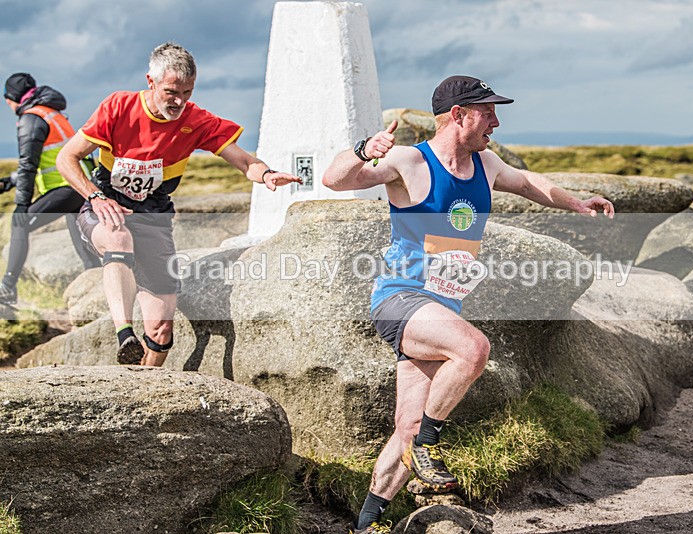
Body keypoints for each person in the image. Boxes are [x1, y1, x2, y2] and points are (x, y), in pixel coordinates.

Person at [322, 75, 615, 532]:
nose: (496, 121)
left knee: (406, 426)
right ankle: (430, 444)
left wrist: (577, 203)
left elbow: (529, 183)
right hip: (400, 298)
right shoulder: (409, 161)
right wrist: (364, 150)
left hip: (440, 310)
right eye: (488, 112)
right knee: (473, 349)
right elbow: (335, 180)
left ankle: (367, 523)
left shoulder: (486, 164)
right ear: (458, 115)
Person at [56, 42, 301, 366]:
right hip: (106, 207)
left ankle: (143, 393)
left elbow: (243, 160)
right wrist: (95, 196)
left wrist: (266, 174)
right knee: (118, 237)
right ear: (151, 81)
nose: (179, 101)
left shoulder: (195, 120)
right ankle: (124, 333)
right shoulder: (118, 107)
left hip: (154, 218)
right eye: (172, 91)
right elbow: (66, 157)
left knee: (160, 332)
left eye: (187, 92)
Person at [0, 73, 100, 306]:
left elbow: (29, 164)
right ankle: (96, 286)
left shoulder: (31, 118)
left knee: (19, 223)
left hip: (66, 187)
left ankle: (7, 286)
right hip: (79, 186)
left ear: (14, 97)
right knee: (85, 250)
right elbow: (50, 158)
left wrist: (22, 204)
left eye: (7, 97)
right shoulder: (51, 113)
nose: (6, 103)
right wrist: (12, 180)